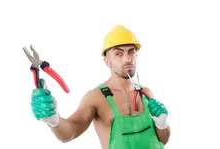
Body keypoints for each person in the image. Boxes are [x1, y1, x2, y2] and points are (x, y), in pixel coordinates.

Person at [30, 25, 171, 149]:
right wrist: (53, 120)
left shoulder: (146, 93)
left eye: (131, 51)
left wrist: (162, 123)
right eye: (118, 53)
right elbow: (69, 132)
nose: (127, 58)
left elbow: (163, 139)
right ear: (107, 61)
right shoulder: (96, 97)